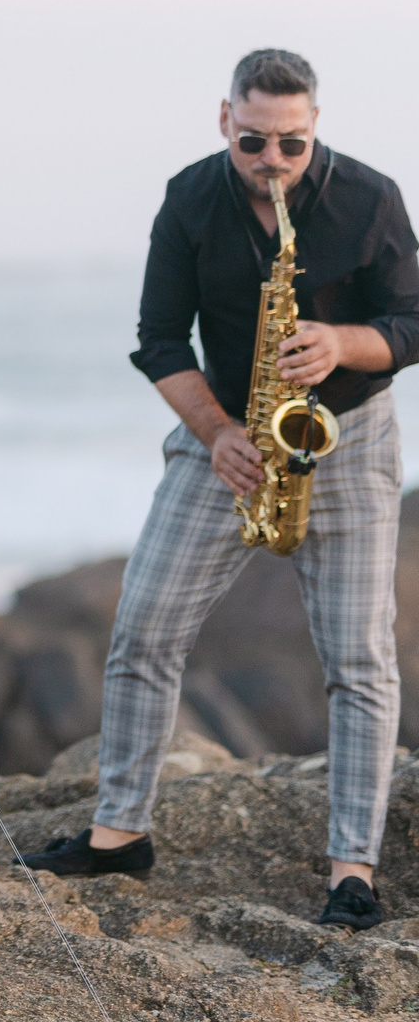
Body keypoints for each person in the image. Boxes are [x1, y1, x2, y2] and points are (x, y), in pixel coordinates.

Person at [21, 49, 418, 930]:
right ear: (223, 120)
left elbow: (412, 320)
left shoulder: (371, 197)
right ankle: (121, 833)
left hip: (345, 438)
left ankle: (352, 867)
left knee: (359, 660)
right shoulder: (191, 197)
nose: (273, 163)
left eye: (292, 144)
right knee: (143, 626)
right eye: (253, 142)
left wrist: (341, 344)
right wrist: (217, 435)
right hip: (227, 436)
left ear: (315, 125)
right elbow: (159, 338)